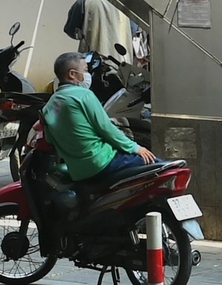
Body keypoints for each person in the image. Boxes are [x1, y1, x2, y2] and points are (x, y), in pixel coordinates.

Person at [42, 52, 154, 192]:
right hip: (102, 162)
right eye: (85, 70)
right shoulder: (84, 95)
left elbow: (50, 139)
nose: (87, 74)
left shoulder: (49, 105)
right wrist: (136, 148)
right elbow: (106, 129)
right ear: (72, 74)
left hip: (78, 172)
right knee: (159, 166)